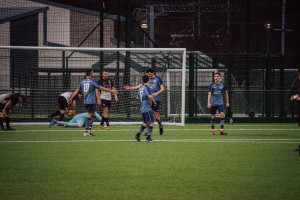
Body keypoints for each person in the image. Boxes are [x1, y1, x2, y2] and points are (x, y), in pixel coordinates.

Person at [125, 67, 164, 135]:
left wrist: (156, 93)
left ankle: (160, 124)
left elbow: (163, 89)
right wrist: (130, 88)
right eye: (148, 73)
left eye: (150, 73)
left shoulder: (158, 79)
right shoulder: (146, 80)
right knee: (148, 116)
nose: (148, 74)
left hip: (156, 99)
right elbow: (139, 86)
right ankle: (147, 132)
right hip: (148, 101)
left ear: (153, 73)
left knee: (156, 117)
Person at [68, 69, 101, 136]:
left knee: (94, 114)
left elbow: (77, 90)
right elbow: (98, 90)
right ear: (91, 74)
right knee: (89, 115)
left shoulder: (82, 82)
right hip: (91, 101)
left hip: (85, 101)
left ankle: (89, 130)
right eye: (93, 72)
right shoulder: (93, 81)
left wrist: (71, 98)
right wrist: (99, 99)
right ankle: (86, 131)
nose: (93, 74)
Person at [134, 75, 157, 142]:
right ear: (148, 80)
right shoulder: (147, 87)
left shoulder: (141, 88)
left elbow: (137, 97)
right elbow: (149, 96)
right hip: (147, 108)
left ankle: (137, 135)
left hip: (142, 108)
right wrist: (154, 102)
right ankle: (148, 138)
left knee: (145, 123)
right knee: (152, 122)